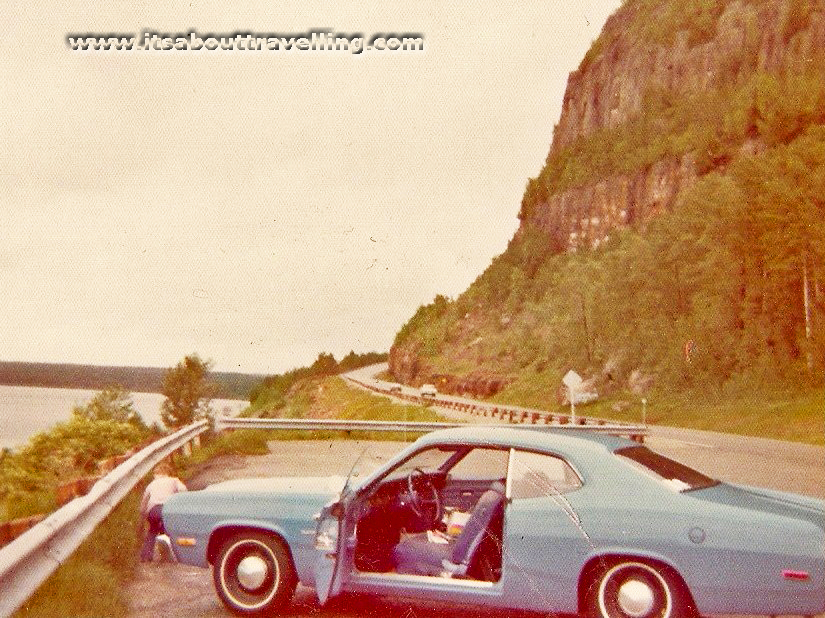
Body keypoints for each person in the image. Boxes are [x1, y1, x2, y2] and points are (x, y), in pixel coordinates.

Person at [139, 461, 186, 562]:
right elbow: (184, 490)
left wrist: (143, 514)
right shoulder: (174, 480)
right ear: (167, 473)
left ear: (157, 474)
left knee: (152, 531)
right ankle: (176, 555)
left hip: (153, 511)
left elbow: (144, 500)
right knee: (171, 531)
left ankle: (146, 556)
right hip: (168, 510)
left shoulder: (151, 484)